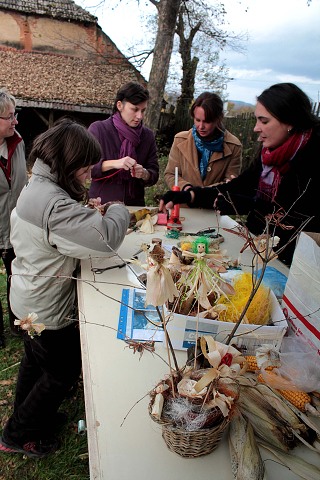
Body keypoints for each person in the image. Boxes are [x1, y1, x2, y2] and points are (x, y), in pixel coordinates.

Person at [0, 118, 130, 458]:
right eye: (85, 170)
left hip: (26, 297)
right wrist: (118, 207)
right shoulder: (52, 204)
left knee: (34, 360)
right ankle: (19, 433)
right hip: (46, 309)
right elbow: (105, 240)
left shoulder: (39, 185)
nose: (88, 176)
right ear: (68, 164)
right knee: (62, 371)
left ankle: (27, 417)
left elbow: (59, 230)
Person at [160, 83, 320, 266]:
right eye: (257, 120)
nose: (256, 128)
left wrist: (250, 205)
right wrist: (189, 194)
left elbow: (299, 218)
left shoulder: (313, 156)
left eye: (264, 121)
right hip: (257, 246)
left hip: (296, 262)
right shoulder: (270, 153)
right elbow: (238, 186)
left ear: (290, 121)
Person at [88, 82, 159, 206]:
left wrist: (144, 173)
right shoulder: (98, 129)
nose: (140, 116)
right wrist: (116, 163)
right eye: (135, 109)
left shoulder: (147, 136)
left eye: (143, 110)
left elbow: (154, 174)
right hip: (101, 205)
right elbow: (86, 168)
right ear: (120, 105)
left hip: (134, 208)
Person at [164, 92, 242, 191]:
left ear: (218, 119)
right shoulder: (180, 140)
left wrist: (201, 194)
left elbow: (231, 183)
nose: (201, 127)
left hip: (214, 205)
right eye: (197, 120)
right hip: (184, 204)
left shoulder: (233, 146)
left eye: (207, 121)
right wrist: (186, 188)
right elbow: (170, 174)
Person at [0, 88, 27, 348]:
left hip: (15, 228)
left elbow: (22, 184)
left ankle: (18, 323)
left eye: (14, 114)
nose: (15, 121)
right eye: (9, 116)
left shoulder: (18, 143)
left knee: (16, 278)